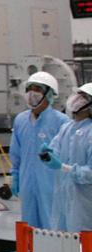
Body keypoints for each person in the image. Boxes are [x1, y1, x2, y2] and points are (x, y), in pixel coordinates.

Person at [10, 70, 69, 229]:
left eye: (38, 89)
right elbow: (16, 153)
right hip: (27, 184)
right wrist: (15, 175)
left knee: (53, 226)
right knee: (29, 227)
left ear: (50, 94)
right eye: (30, 89)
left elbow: (67, 157)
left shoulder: (62, 122)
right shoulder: (21, 120)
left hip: (52, 184)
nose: (32, 93)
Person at [41, 82, 92, 232]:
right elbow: (54, 150)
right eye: (78, 94)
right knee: (64, 245)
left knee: (85, 246)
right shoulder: (67, 128)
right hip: (63, 199)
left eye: (83, 97)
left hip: (85, 204)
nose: (77, 99)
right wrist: (48, 154)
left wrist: (64, 167)